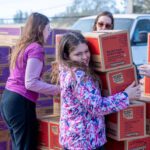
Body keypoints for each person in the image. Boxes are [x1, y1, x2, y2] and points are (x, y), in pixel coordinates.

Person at [57, 31, 141, 150]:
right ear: (67, 55)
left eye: (86, 51)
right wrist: (126, 96)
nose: (85, 57)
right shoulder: (78, 75)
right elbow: (97, 107)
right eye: (78, 54)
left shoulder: (66, 70)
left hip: (74, 138)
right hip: (85, 142)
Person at [0, 12, 60, 150]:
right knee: (26, 146)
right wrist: (58, 89)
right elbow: (31, 82)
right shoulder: (36, 48)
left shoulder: (22, 46)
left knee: (19, 145)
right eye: (48, 28)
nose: (49, 33)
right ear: (40, 28)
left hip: (8, 99)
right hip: (21, 102)